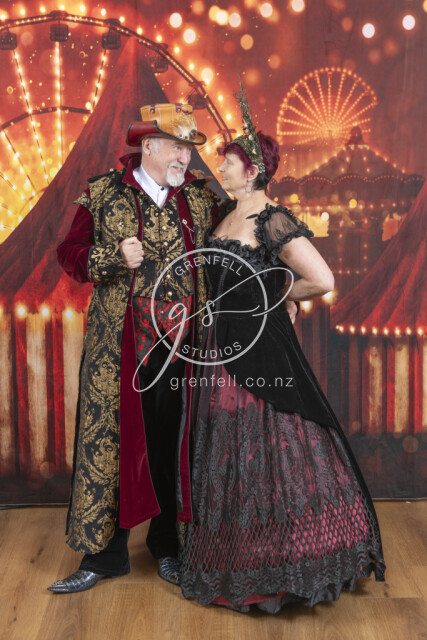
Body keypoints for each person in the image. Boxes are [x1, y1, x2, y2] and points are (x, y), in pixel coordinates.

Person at [179, 85, 386, 612]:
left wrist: (277, 296)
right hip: (220, 347)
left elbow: (321, 279)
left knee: (271, 443)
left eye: (228, 163)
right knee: (231, 448)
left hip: (260, 348)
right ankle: (239, 554)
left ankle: (289, 561)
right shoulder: (224, 213)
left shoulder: (271, 218)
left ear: (251, 171)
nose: (220, 168)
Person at [49, 103, 220, 593]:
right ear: (148, 146)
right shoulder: (103, 193)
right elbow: (69, 253)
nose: (185, 158)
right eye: (177, 147)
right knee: (114, 445)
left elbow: (238, 245)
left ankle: (168, 547)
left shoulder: (201, 199)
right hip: (120, 348)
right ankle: (104, 557)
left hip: (184, 348)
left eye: (189, 149)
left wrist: (284, 293)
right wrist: (111, 256)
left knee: (172, 442)